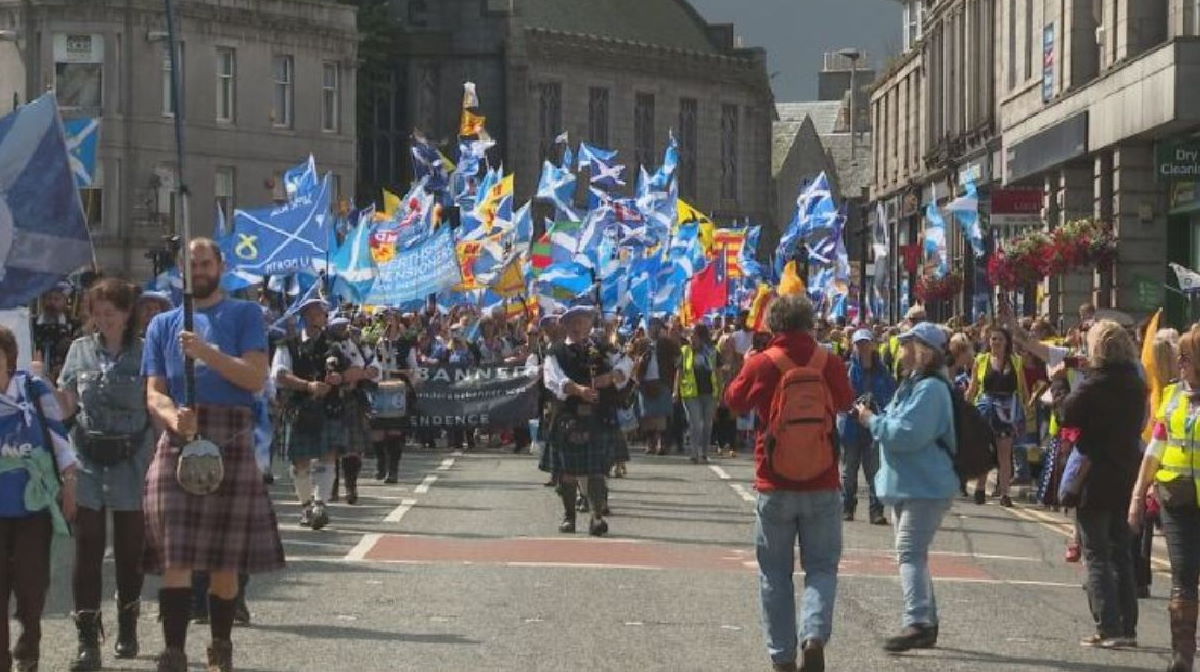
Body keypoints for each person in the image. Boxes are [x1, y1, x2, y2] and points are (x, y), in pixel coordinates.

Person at [141, 238, 285, 671]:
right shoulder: (162, 324)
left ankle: (220, 649)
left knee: (225, 561)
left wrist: (205, 352)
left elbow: (255, 377)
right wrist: (172, 417)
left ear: (221, 265)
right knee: (177, 555)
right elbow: (154, 391)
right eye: (191, 264)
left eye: (205, 262)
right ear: (181, 270)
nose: (199, 270)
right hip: (181, 436)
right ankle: (174, 652)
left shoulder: (244, 314)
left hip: (231, 435)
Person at [724, 295, 854, 672]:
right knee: (822, 567)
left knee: (775, 574)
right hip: (823, 476)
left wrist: (747, 366)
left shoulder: (764, 362)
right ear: (809, 322)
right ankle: (813, 634)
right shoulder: (827, 361)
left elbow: (733, 402)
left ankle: (782, 657)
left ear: (773, 326)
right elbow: (846, 402)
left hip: (775, 479)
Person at [57, 279, 154, 670]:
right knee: (88, 548)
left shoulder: (146, 353)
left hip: (133, 458)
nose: (102, 321)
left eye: (109, 313)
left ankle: (127, 624)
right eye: (96, 314)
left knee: (131, 552)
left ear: (127, 313)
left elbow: (155, 404)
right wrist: (45, 390)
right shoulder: (79, 351)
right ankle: (87, 639)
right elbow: (67, 405)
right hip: (88, 457)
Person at [852, 323, 958, 652]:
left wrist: (872, 421)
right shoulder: (913, 384)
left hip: (926, 484)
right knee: (915, 553)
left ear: (922, 349)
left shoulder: (932, 390)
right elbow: (898, 423)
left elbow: (907, 434)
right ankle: (928, 622)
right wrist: (875, 414)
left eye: (906, 344)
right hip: (909, 482)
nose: (899, 350)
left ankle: (917, 622)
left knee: (909, 551)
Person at [1062, 319, 1145, 649]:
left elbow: (1067, 414)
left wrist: (1058, 385)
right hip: (1125, 472)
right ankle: (1128, 627)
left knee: (1095, 553)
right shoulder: (1135, 384)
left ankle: (1108, 627)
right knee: (1121, 552)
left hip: (1094, 475)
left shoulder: (1094, 383)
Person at [0, 324, 78, 672]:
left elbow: (59, 439)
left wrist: (70, 485)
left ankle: (30, 641)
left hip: (33, 506)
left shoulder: (32, 390)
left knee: (32, 585)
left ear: (9, 359)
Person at [1130, 325, 1200, 670]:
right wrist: (1137, 494)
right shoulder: (1173, 395)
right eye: (1180, 357)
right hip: (1177, 501)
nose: (1180, 363)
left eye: (1186, 357)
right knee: (1183, 578)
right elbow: (1154, 449)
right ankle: (1182, 657)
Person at [273, 300, 365, 530]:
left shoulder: (338, 345)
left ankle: (320, 505)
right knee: (300, 463)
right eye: (314, 313)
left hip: (330, 408)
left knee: (328, 456)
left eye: (322, 313)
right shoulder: (288, 345)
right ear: (304, 316)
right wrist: (307, 386)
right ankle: (306, 507)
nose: (320, 317)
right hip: (300, 408)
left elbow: (358, 368)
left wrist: (341, 378)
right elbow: (280, 375)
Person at [542, 305, 631, 536]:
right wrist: (579, 390)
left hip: (599, 416)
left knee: (597, 471)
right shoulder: (556, 352)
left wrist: (611, 376)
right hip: (569, 417)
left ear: (590, 324)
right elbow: (553, 379)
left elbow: (627, 364)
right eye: (573, 321)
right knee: (568, 472)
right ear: (566, 325)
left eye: (583, 321)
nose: (578, 325)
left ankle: (597, 517)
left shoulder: (603, 349)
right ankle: (569, 517)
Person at [966, 326, 1030, 507]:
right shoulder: (981, 360)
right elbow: (973, 388)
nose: (996, 342)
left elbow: (1023, 389)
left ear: (1007, 342)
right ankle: (980, 489)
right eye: (993, 339)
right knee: (985, 451)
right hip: (986, 409)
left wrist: (1025, 409)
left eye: (1000, 339)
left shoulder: (1016, 361)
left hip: (1007, 411)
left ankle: (1005, 494)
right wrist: (966, 409)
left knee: (1004, 453)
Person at [839, 328, 897, 525]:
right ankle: (847, 507)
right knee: (849, 472)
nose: (862, 347)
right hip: (851, 427)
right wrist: (854, 406)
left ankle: (876, 511)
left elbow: (891, 396)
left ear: (873, 345)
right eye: (859, 344)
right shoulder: (847, 369)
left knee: (874, 472)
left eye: (866, 343)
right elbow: (841, 397)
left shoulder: (883, 371)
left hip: (873, 426)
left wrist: (877, 406)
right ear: (853, 346)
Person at [677, 323, 720, 465]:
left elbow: (718, 373)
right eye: (691, 336)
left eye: (694, 336)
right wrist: (675, 390)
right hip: (691, 393)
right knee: (695, 423)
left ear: (702, 338)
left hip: (709, 393)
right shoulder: (685, 351)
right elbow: (680, 371)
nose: (692, 339)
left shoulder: (713, 352)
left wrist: (720, 392)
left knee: (707, 425)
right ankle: (694, 452)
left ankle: (704, 453)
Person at [636, 317, 679, 455]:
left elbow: (678, 358)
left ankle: (662, 443)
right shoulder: (641, 343)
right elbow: (633, 359)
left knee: (661, 414)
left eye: (656, 326)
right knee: (647, 415)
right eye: (651, 326)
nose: (653, 329)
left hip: (663, 381)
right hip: (645, 382)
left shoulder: (667, 343)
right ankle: (650, 443)